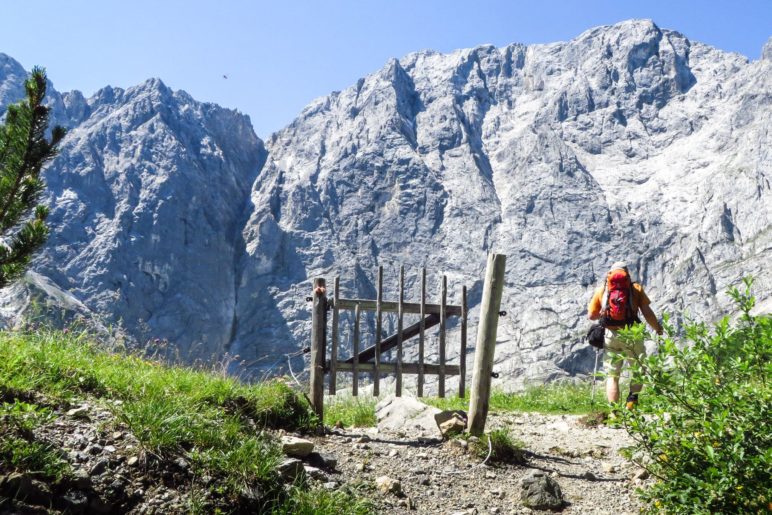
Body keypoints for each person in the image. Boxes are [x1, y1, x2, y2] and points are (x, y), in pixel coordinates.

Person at [587, 261, 663, 408]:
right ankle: (631, 402)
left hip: (610, 334)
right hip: (632, 334)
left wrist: (604, 314)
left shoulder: (603, 290)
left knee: (612, 376)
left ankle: (614, 412)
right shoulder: (635, 289)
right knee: (638, 369)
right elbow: (647, 312)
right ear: (627, 274)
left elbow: (591, 315)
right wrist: (657, 328)